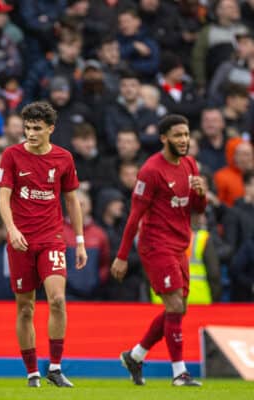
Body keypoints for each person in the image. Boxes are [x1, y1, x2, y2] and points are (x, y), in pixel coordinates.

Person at [0, 101, 87, 388]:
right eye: (27, 128)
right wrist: (11, 230)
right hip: (22, 242)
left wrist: (80, 241)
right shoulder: (11, 155)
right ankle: (33, 371)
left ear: (50, 129)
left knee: (58, 299)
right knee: (25, 308)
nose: (31, 133)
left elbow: (72, 200)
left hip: (52, 239)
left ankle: (56, 367)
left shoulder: (64, 158)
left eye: (37, 128)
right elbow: (3, 197)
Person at [111, 114, 207, 387]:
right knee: (175, 305)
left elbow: (197, 211)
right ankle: (180, 373)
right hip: (155, 245)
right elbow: (134, 217)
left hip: (180, 245)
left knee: (178, 309)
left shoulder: (190, 164)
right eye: (178, 135)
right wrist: (121, 256)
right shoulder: (151, 171)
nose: (184, 140)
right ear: (164, 138)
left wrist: (201, 194)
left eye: (186, 135)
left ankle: (136, 355)